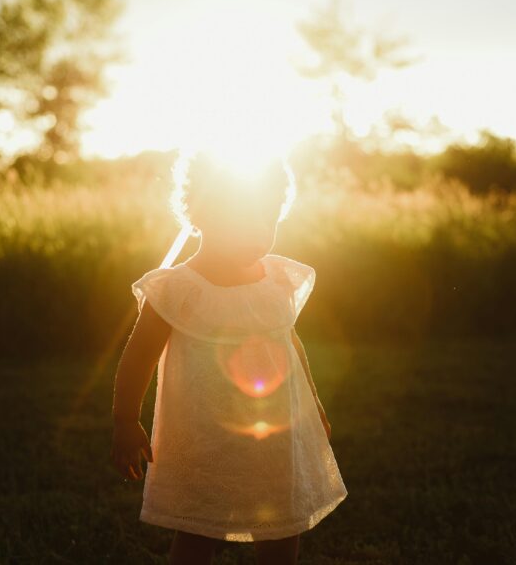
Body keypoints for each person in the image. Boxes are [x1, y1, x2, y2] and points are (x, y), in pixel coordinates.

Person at [110, 150, 348, 565]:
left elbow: (290, 344)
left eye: (267, 219)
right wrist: (125, 420)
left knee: (281, 523)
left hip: (276, 437)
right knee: (200, 529)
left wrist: (315, 408)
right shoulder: (178, 289)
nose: (257, 232)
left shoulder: (275, 280)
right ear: (201, 215)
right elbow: (138, 357)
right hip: (205, 440)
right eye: (242, 220)